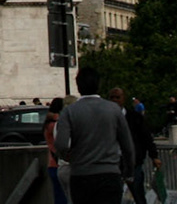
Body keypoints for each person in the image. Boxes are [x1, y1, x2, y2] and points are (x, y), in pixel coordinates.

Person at [53, 67, 135, 204]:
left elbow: (61, 144)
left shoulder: (69, 112)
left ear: (78, 86)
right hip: (110, 174)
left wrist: (68, 157)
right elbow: (128, 146)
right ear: (98, 85)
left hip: (81, 175)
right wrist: (129, 172)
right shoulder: (114, 110)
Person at [112, 87, 158, 201]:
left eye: (118, 97)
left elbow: (146, 137)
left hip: (133, 163)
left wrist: (154, 156)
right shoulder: (104, 119)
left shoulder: (135, 117)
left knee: (138, 195)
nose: (115, 100)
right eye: (112, 98)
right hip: (113, 163)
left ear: (123, 98)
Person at [44, 97, 70, 204]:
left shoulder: (48, 123)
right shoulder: (56, 124)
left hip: (51, 163)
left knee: (58, 196)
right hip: (59, 163)